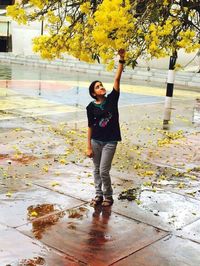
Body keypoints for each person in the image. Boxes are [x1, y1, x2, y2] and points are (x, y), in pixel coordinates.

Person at [86, 49, 125, 207]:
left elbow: (117, 79)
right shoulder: (90, 107)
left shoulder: (112, 100)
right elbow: (90, 126)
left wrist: (121, 59)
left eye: (101, 85)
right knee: (96, 169)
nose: (101, 87)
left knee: (103, 170)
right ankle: (98, 195)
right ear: (94, 93)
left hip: (110, 141)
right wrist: (88, 146)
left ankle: (108, 195)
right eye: (97, 87)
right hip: (96, 141)